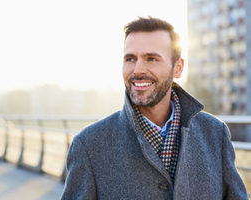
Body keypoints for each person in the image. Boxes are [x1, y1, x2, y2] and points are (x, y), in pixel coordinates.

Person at [61, 17, 248, 200]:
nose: (138, 70)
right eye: (130, 59)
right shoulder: (88, 145)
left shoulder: (215, 133)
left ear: (178, 68)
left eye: (151, 59)